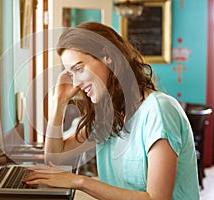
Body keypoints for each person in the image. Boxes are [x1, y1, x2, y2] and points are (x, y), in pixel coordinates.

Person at [23, 22, 200, 200]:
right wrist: (59, 101)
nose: (75, 83)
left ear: (107, 56)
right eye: (71, 74)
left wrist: (79, 182)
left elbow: (157, 198)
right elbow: (55, 158)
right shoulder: (109, 115)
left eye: (79, 69)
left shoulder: (159, 110)